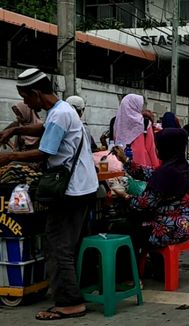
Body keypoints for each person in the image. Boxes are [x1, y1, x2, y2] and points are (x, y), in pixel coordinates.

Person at [0, 68, 98, 320]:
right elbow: (45, 128)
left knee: (57, 246)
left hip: (70, 190)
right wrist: (16, 130)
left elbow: (45, 151)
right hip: (83, 186)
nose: (25, 103)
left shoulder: (59, 115)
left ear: (35, 93)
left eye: (25, 97)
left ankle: (69, 303)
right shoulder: (62, 109)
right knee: (67, 243)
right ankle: (74, 292)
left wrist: (9, 157)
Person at [112, 128, 189, 248]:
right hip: (188, 225)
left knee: (121, 228)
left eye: (158, 146)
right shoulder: (182, 167)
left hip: (170, 229)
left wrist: (124, 195)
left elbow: (142, 204)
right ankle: (155, 264)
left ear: (166, 148)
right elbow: (149, 173)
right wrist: (125, 160)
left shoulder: (166, 173)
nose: (156, 149)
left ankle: (132, 266)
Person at [114, 94, 160, 168]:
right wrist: (156, 167)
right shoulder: (145, 123)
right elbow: (151, 148)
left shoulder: (118, 124)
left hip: (121, 162)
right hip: (142, 164)